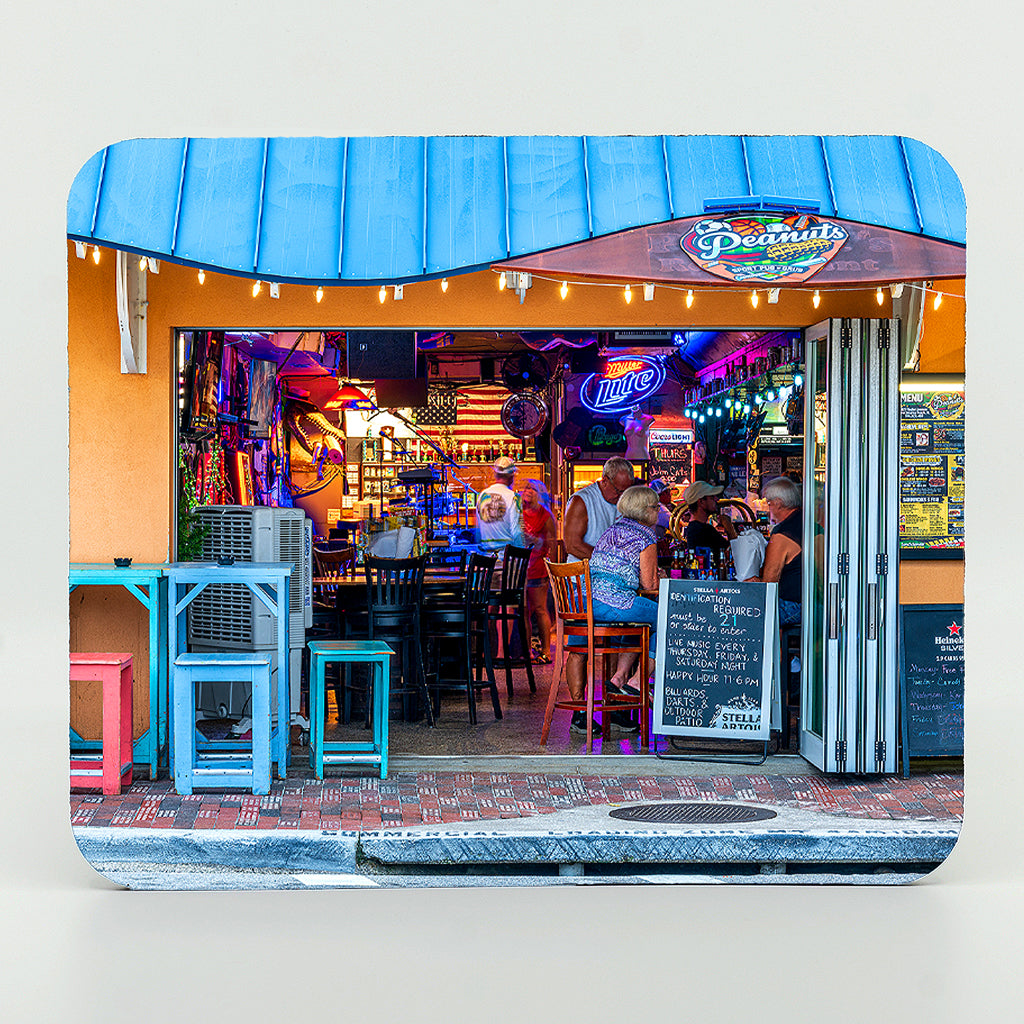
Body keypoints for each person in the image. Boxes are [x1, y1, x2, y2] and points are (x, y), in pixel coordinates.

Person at [565, 485, 661, 736]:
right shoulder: (646, 535)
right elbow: (649, 585)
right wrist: (657, 576)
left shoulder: (610, 530)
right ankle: (637, 682)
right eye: (655, 506)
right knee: (670, 618)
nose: (658, 510)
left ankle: (614, 683)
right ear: (645, 510)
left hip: (583, 605)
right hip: (614, 603)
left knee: (635, 625)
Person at [749, 475, 803, 626]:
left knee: (744, 611)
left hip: (794, 606)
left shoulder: (782, 533)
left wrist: (754, 582)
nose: (767, 508)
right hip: (813, 602)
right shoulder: (806, 521)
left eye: (769, 503)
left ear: (779, 503)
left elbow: (769, 581)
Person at [562, 456, 635, 559]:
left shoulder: (624, 500)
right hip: (583, 573)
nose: (622, 496)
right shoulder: (580, 501)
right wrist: (608, 560)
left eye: (626, 492)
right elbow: (573, 546)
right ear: (605, 481)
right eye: (618, 491)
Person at [520, 479, 556, 663]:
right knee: (524, 611)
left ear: (540, 493)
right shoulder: (518, 511)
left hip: (537, 568)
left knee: (540, 610)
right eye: (526, 487)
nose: (528, 491)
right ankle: (526, 651)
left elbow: (552, 542)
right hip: (520, 569)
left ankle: (546, 651)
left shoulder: (545, 515)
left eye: (532, 489)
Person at [475, 455, 525, 556]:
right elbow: (517, 532)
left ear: (495, 474)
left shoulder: (482, 495)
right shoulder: (513, 497)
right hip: (506, 559)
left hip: (486, 559)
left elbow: (478, 530)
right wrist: (522, 553)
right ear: (511, 476)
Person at [682, 479, 738, 552]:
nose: (716, 499)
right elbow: (735, 553)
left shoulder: (695, 528)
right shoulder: (703, 530)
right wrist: (729, 527)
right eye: (712, 497)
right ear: (701, 502)